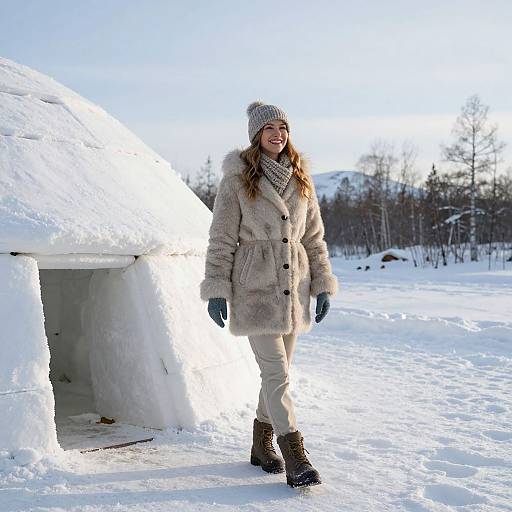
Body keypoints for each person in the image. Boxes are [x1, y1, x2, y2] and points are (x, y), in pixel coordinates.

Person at [199, 101, 338, 488]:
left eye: (283, 127)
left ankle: (260, 446)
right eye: (269, 129)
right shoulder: (237, 180)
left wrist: (323, 284)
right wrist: (216, 288)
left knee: (279, 374)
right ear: (255, 136)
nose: (278, 134)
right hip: (255, 290)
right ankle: (295, 456)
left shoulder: (301, 179)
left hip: (295, 290)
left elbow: (313, 238)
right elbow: (222, 239)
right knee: (275, 372)